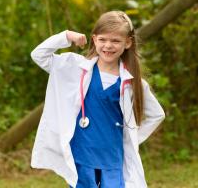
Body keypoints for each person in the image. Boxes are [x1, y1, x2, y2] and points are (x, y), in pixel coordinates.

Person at [30, 10, 165, 188]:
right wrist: (66, 36)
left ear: (127, 43)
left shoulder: (133, 83)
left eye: (115, 40)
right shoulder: (75, 69)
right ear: (94, 39)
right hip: (82, 158)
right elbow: (39, 55)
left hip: (112, 160)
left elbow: (157, 115)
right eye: (103, 39)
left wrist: (132, 138)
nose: (108, 45)